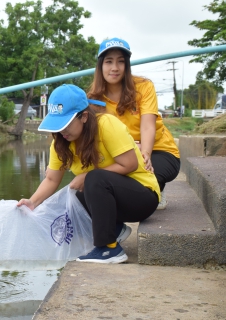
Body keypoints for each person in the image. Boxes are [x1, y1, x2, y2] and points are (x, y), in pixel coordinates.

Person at [17, 84, 160, 264]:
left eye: (66, 124)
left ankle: (109, 249)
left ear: (84, 116)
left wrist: (86, 176)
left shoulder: (106, 125)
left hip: (142, 197)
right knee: (70, 201)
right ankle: (115, 230)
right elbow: (52, 179)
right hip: (115, 202)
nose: (62, 131)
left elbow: (129, 164)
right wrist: (32, 203)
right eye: (58, 125)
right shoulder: (60, 143)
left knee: (93, 178)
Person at [87, 37, 180, 210]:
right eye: (109, 62)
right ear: (100, 66)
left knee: (138, 178)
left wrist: (144, 153)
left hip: (158, 150)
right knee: (103, 179)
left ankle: (157, 187)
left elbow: (147, 125)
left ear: (127, 65)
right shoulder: (93, 99)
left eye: (121, 62)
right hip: (124, 152)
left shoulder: (144, 86)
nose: (115, 68)